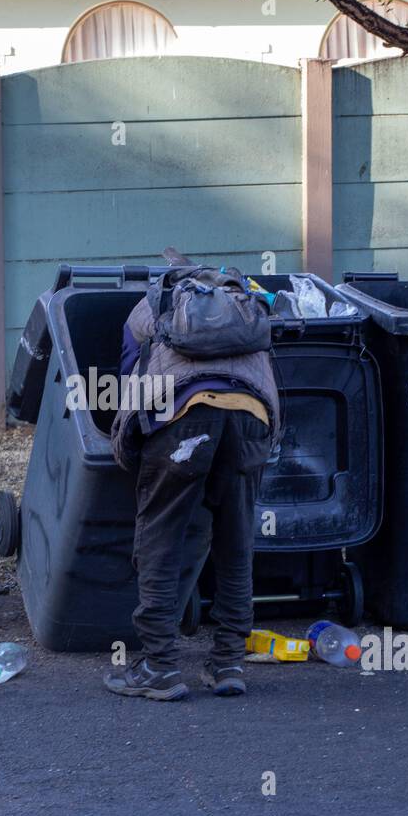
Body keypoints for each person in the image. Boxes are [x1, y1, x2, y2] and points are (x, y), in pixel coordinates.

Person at [105, 265, 280, 701]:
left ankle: (161, 666)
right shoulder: (248, 308)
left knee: (160, 540)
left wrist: (131, 453)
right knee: (235, 543)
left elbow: (131, 378)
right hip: (251, 417)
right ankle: (228, 662)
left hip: (182, 417)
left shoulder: (151, 304)